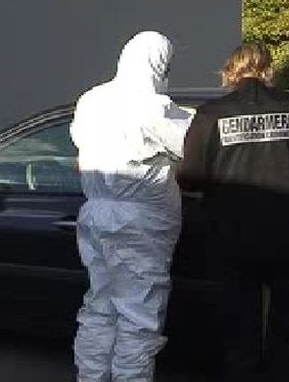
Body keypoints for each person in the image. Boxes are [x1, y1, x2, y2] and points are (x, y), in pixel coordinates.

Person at [177, 42, 289, 382]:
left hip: (231, 238)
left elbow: (189, 177)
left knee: (239, 329)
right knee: (283, 329)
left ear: (230, 72)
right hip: (288, 236)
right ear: (268, 70)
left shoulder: (212, 114)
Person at [70, 31, 192, 382]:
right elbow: (196, 145)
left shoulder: (92, 99)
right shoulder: (154, 108)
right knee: (139, 318)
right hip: (139, 223)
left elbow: (81, 142)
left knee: (99, 308)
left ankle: (91, 378)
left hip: (95, 213)